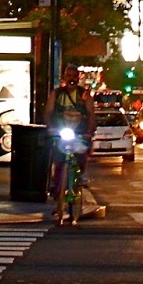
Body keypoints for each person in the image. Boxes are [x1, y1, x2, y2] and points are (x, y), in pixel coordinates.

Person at [45, 65, 96, 213]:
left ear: (78, 77)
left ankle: (79, 178)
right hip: (61, 131)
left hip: (79, 133)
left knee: (81, 155)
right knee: (59, 160)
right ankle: (58, 193)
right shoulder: (56, 94)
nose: (72, 79)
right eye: (69, 76)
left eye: (74, 76)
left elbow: (91, 114)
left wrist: (89, 131)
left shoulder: (84, 95)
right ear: (64, 77)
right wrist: (50, 128)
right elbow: (48, 112)